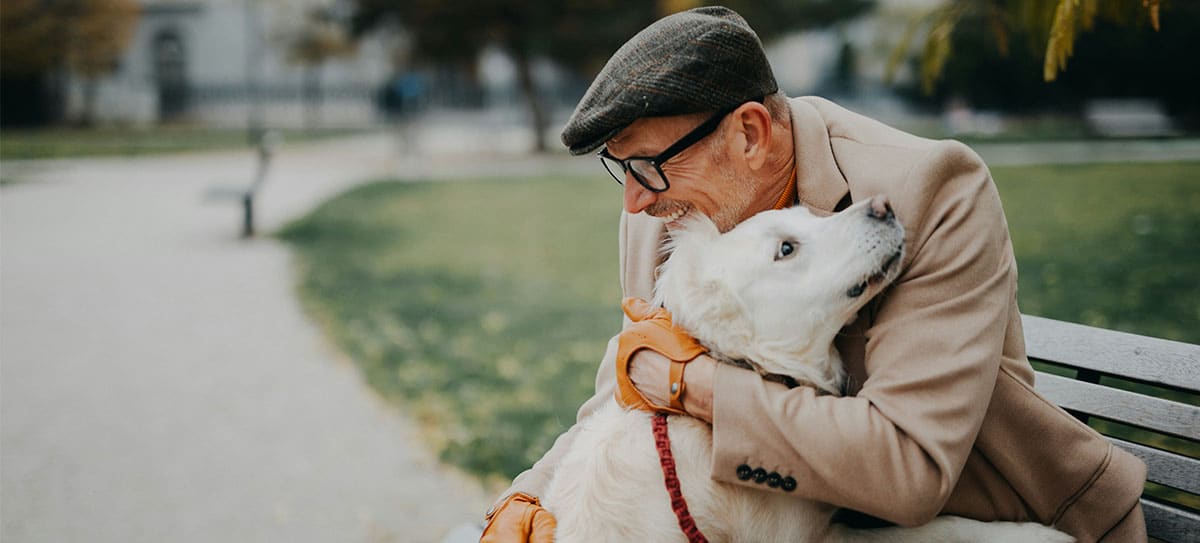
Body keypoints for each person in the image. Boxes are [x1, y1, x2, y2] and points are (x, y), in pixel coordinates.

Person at [480, 6, 1146, 543]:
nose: (633, 200)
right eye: (620, 168)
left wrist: (693, 384)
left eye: (647, 166)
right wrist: (526, 496)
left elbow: (908, 465)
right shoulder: (666, 215)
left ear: (747, 134)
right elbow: (627, 393)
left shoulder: (932, 190)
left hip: (989, 520)